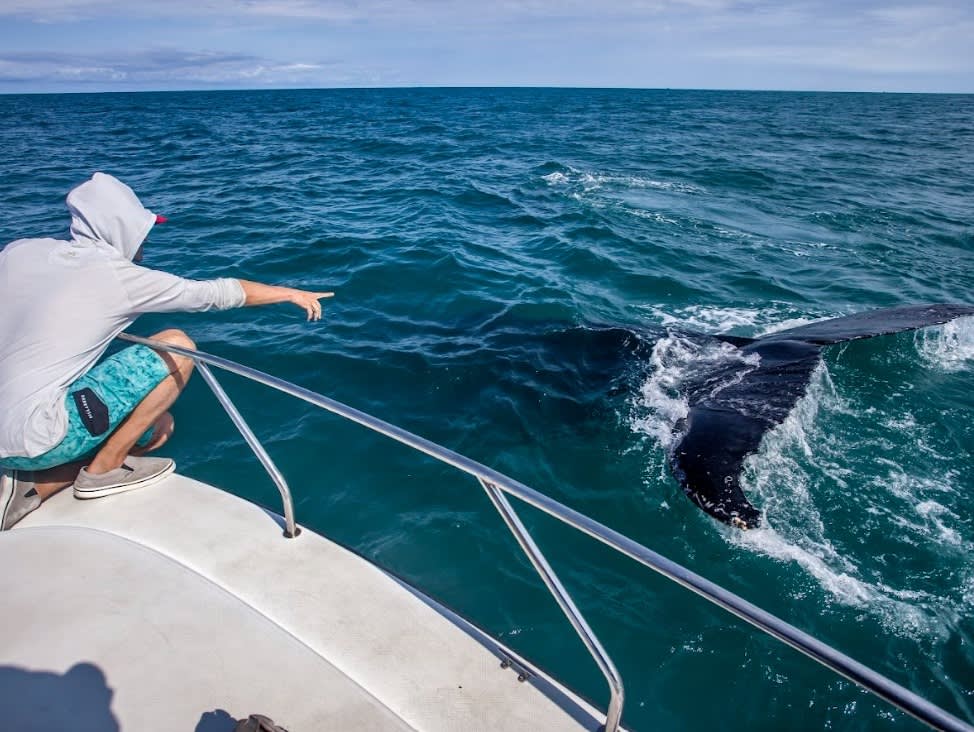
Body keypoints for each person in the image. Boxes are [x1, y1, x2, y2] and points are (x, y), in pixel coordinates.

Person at [0, 172, 333, 529]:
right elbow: (214, 294)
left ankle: (31, 481)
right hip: (39, 441)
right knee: (175, 364)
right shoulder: (120, 277)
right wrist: (290, 293)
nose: (146, 239)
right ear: (122, 228)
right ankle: (96, 472)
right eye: (142, 229)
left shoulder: (20, 251)